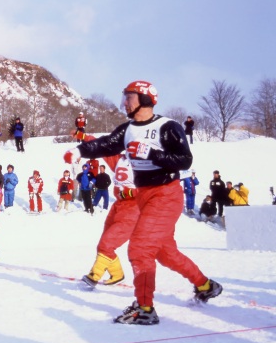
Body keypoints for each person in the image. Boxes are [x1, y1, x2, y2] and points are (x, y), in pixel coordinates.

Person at [64, 80, 222, 325]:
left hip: (165, 193)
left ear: (145, 99)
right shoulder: (127, 129)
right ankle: (205, 285)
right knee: (165, 252)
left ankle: (145, 308)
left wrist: (151, 153)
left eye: (129, 97)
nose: (124, 102)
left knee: (139, 249)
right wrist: (79, 151)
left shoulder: (167, 126)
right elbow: (105, 144)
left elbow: (184, 160)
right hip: (144, 195)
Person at [81, 154, 138, 289]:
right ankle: (117, 274)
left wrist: (131, 193)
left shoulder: (147, 162)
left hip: (133, 209)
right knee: (102, 246)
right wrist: (84, 137)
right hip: (118, 206)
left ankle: (94, 276)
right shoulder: (121, 160)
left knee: (107, 245)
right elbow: (103, 149)